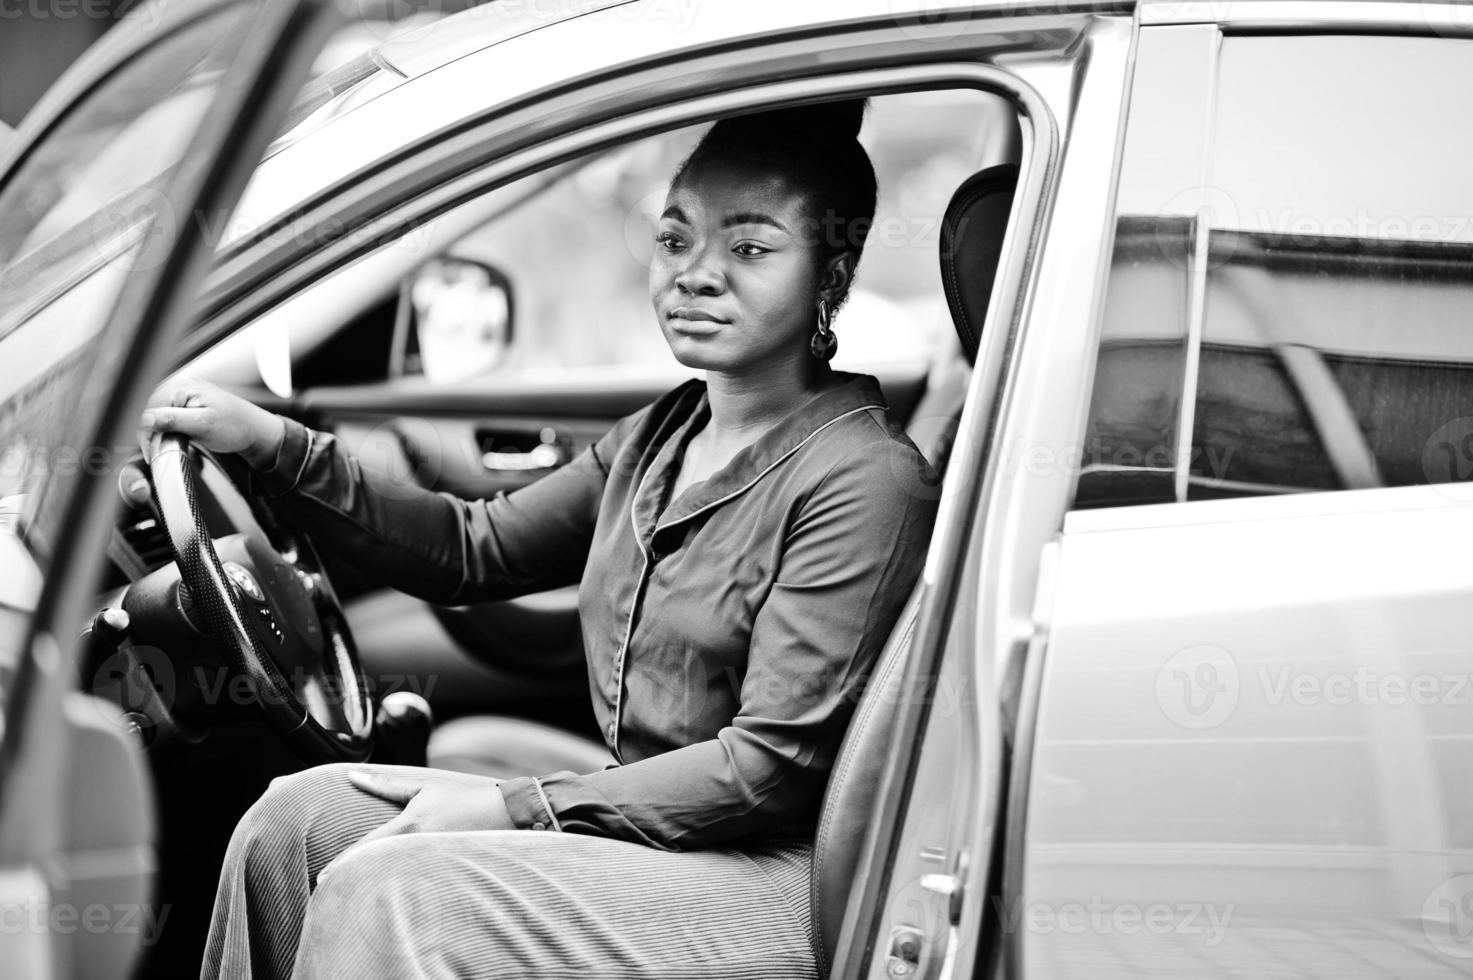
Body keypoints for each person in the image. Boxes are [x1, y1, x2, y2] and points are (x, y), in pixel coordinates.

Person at [142, 99, 938, 979]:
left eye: (749, 249)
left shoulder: (864, 477)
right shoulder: (663, 435)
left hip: (777, 873)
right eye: (675, 240)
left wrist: (516, 808)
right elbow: (472, 549)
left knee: (390, 888)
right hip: (640, 829)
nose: (696, 274)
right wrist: (275, 445)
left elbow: (766, 769)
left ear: (830, 275)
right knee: (293, 824)